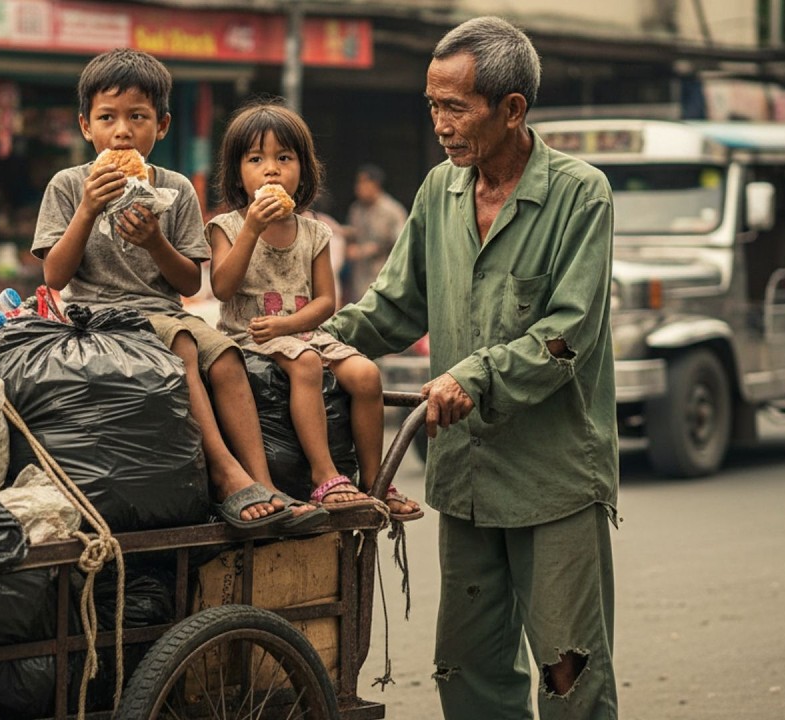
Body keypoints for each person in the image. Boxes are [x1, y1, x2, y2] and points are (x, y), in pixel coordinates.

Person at [323, 16, 620, 720]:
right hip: (466, 478)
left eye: (455, 107)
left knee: (569, 677)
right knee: (469, 672)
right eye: (433, 106)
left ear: (512, 109)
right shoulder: (439, 191)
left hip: (555, 481)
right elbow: (394, 307)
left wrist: (475, 375)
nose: (440, 124)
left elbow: (566, 336)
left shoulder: (582, 195)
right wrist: (318, 345)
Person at [34, 48, 324, 533]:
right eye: (107, 118)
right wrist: (87, 209)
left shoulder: (177, 189)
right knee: (185, 345)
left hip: (163, 310)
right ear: (86, 126)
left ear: (162, 125)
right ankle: (224, 471)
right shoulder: (68, 185)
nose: (122, 130)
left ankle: (262, 478)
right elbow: (55, 278)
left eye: (138, 117)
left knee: (227, 355)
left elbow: (190, 282)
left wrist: (154, 240)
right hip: (94, 313)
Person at [206, 98, 422, 522]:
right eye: (256, 159)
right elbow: (221, 286)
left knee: (366, 374)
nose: (271, 169)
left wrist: (290, 323)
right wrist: (251, 227)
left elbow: (326, 302)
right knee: (305, 364)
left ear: (303, 168)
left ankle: (375, 479)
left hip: (304, 332)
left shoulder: (315, 232)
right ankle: (326, 474)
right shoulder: (226, 227)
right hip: (250, 336)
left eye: (283, 158)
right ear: (237, 173)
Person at [342, 163, 406, 303]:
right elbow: (355, 234)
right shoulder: (356, 209)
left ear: (375, 184)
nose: (359, 187)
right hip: (359, 279)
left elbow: (402, 246)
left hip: (384, 278)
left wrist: (366, 250)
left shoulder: (392, 211)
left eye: (364, 182)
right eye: (358, 183)